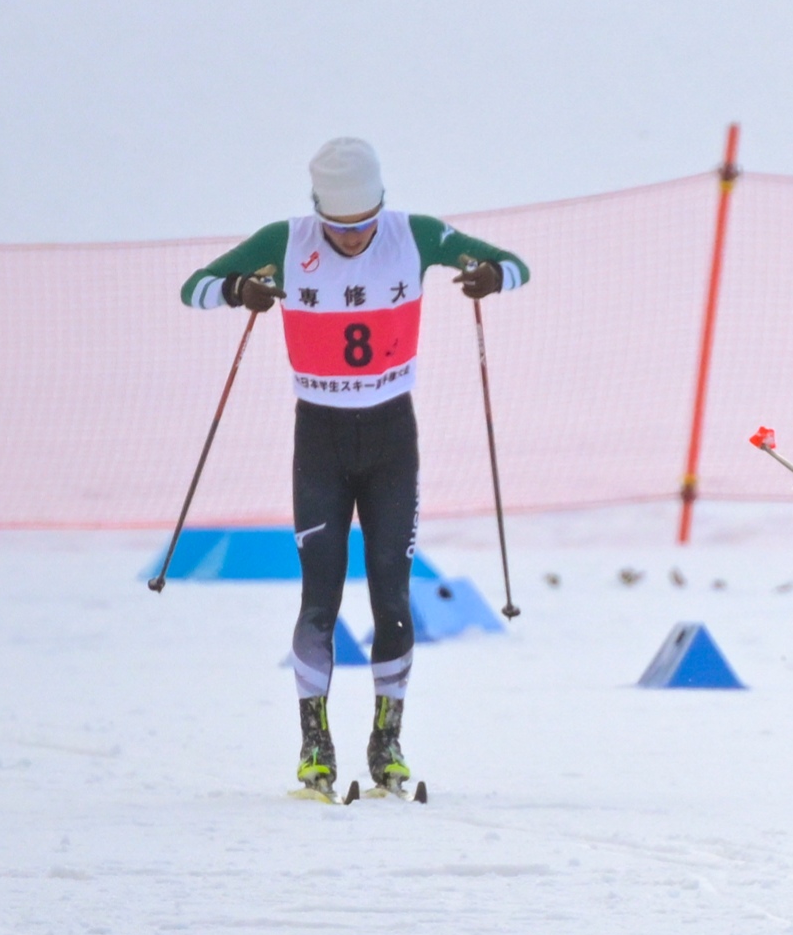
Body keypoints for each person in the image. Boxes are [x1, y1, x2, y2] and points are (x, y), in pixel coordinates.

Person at [179, 138, 530, 801]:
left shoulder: (415, 235)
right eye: (338, 227)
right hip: (320, 438)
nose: (352, 237)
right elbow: (191, 288)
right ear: (318, 211)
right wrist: (238, 289)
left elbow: (515, 266)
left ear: (380, 206)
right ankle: (314, 745)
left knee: (392, 595)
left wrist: (491, 277)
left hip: (392, 437)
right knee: (321, 594)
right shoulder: (284, 240)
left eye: (363, 223)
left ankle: (386, 743)